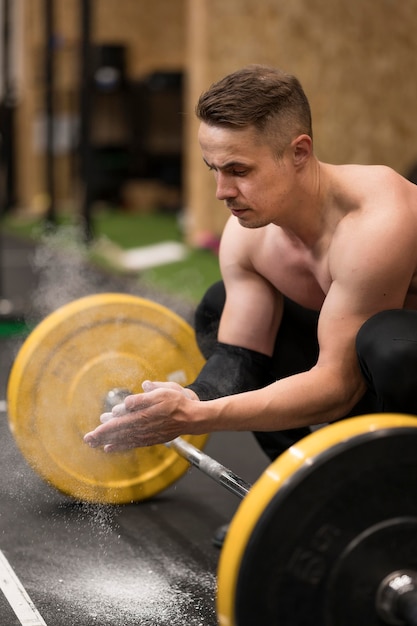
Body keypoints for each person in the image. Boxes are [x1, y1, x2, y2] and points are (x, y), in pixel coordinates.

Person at [84, 64, 417, 474]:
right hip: (352, 361)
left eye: (239, 171)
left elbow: (340, 388)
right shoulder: (247, 236)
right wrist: (187, 400)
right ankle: (299, 485)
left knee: (390, 346)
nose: (223, 192)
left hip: (394, 371)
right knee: (219, 306)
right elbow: (242, 362)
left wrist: (199, 417)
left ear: (299, 152)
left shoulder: (376, 218)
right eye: (215, 170)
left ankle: (385, 495)